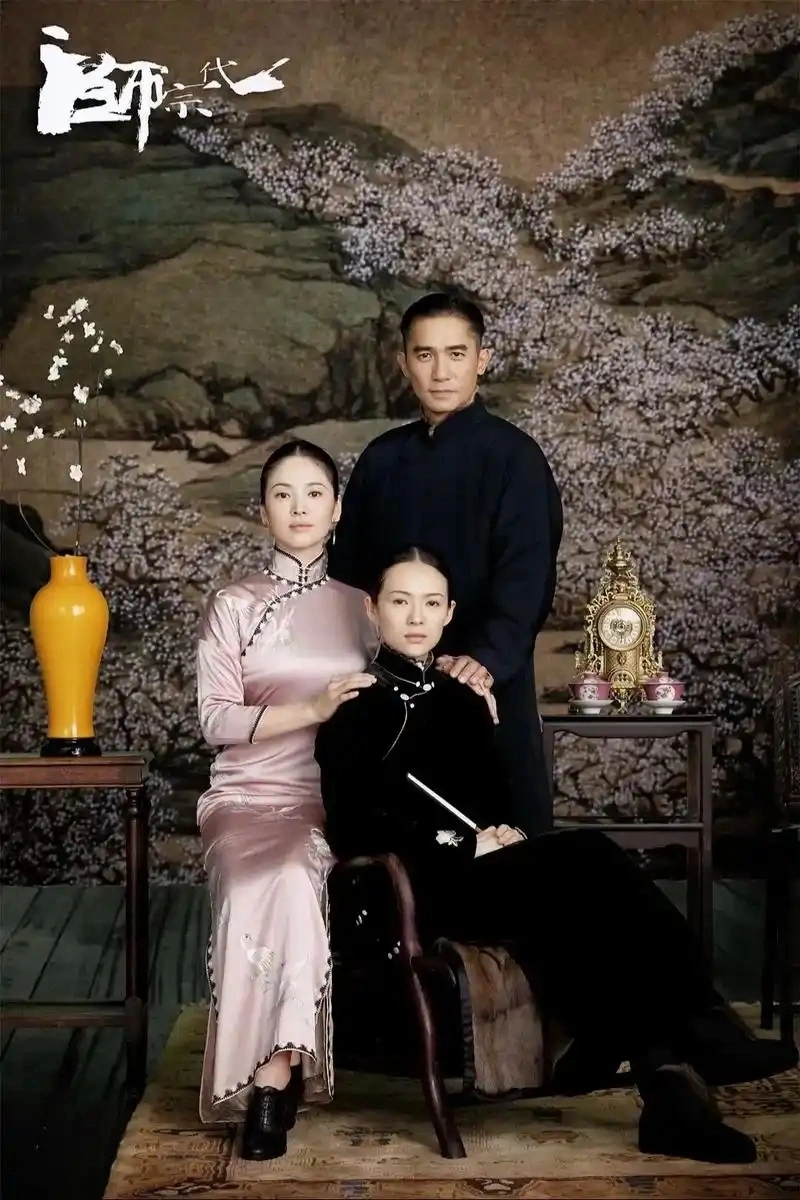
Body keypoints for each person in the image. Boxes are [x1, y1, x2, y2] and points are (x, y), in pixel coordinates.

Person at [315, 547, 798, 1165]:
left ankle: (667, 1091)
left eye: (431, 603)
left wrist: (504, 832)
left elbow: (494, 802)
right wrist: (464, 842)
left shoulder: (465, 700)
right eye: (400, 601)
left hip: (489, 878)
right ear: (372, 608)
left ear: (450, 612)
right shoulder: (353, 708)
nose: (416, 617)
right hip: (418, 887)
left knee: (595, 894)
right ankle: (700, 1025)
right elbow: (353, 829)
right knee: (591, 860)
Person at [195, 439, 377, 1160]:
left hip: (330, 798)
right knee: (254, 882)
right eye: (282, 494)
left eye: (314, 494)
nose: (299, 508)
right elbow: (216, 720)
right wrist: (312, 709)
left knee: (298, 876)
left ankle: (275, 1078)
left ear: (337, 510)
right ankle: (268, 1075)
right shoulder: (232, 605)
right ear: (262, 510)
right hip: (246, 794)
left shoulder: (364, 608)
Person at [328, 292, 562, 837]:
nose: (440, 372)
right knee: (399, 841)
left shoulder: (516, 458)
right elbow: (347, 577)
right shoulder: (381, 460)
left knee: (507, 850)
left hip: (485, 684)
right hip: (390, 689)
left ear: (482, 360)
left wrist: (482, 661)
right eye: (425, 354)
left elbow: (528, 578)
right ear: (403, 362)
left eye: (456, 354)